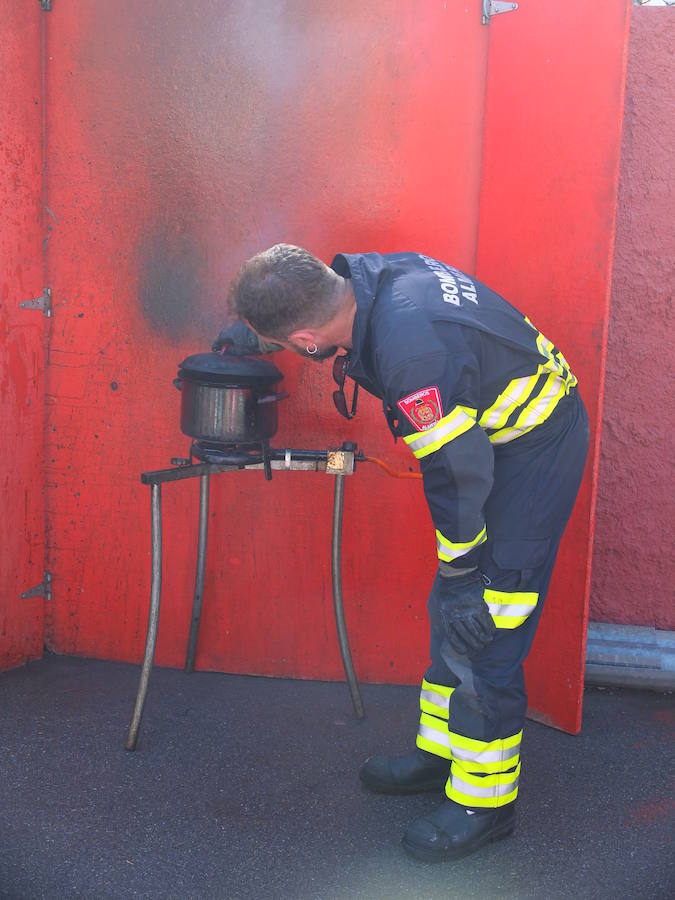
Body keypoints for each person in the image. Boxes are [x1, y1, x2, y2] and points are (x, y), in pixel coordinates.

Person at [214, 244, 589, 863]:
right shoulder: (367, 277)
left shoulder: (415, 358)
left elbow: (458, 470)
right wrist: (256, 332)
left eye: (285, 345)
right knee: (452, 607)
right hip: (488, 429)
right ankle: (440, 754)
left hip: (532, 444)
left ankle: (483, 802)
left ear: (308, 339)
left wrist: (466, 570)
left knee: (485, 619)